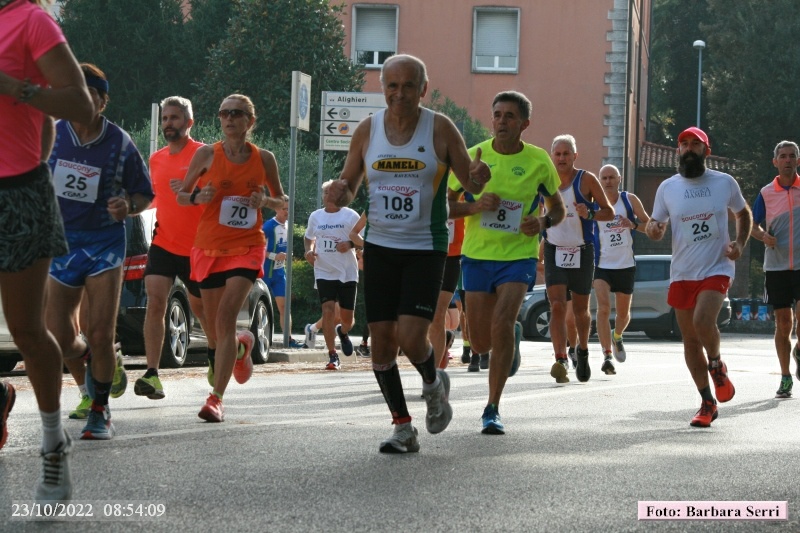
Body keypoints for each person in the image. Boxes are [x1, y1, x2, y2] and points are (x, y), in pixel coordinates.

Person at [328, 54, 491, 453]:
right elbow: (349, 186)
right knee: (382, 343)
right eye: (392, 86)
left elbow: (469, 180)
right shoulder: (368, 130)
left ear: (423, 89)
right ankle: (403, 427)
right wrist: (339, 192)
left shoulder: (440, 128)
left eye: (408, 86)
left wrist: (478, 178)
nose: (399, 94)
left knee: (411, 334)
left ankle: (433, 385)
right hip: (381, 247)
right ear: (382, 87)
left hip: (425, 247)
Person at [0, 0, 93, 501]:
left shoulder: (30, 20)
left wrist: (15, 89)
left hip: (17, 193)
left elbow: (79, 104)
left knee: (27, 330)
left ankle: (53, 443)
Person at [46, 63, 153, 440]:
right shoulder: (52, 134)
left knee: (100, 330)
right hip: (61, 243)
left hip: (104, 245)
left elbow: (144, 193)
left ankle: (100, 409)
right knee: (58, 334)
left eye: (90, 94)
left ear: (102, 102)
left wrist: (129, 205)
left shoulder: (120, 142)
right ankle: (93, 358)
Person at [449, 90, 564, 434]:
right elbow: (444, 205)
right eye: (497, 115)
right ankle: (510, 335)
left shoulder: (538, 160)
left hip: (519, 256)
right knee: (481, 343)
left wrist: (542, 223)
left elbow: (558, 209)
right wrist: (475, 205)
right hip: (477, 256)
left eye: (510, 116)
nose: (501, 121)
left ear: (524, 124)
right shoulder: (473, 157)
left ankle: (492, 408)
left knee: (501, 322)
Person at [178, 94, 285, 422]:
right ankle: (239, 347)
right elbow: (182, 195)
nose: (228, 118)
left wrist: (264, 201)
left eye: (236, 113)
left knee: (225, 319)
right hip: (209, 247)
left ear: (250, 121)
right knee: (214, 328)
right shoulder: (206, 155)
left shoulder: (264, 159)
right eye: (223, 113)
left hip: (247, 247)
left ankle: (216, 399)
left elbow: (281, 200)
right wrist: (199, 196)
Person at [646, 127, 751, 427]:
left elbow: (743, 213)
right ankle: (707, 402)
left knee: (703, 321)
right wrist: (653, 229)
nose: (689, 148)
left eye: (695, 144)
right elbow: (656, 224)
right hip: (682, 271)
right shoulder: (667, 187)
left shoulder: (724, 182)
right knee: (690, 341)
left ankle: (716, 364)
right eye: (684, 144)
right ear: (678, 150)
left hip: (717, 267)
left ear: (706, 150)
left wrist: (740, 243)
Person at [134, 96, 209, 401]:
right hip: (163, 243)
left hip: (198, 247)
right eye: (165, 118)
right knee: (155, 303)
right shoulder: (156, 159)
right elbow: (154, 197)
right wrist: (129, 206)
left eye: (174, 118)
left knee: (202, 310)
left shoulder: (204, 154)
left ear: (189, 123)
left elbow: (217, 194)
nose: (168, 124)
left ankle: (218, 351)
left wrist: (194, 191)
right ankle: (152, 373)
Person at [543, 134, 614, 383]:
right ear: (552, 156)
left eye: (566, 154)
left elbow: (609, 212)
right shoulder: (544, 181)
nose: (561, 158)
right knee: (557, 306)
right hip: (554, 249)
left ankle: (582, 350)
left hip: (582, 251)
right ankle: (561, 358)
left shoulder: (587, 180)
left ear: (575, 156)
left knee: (581, 310)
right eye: (557, 154)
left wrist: (591, 212)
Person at [750, 140, 800, 398]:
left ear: (798, 161)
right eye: (783, 156)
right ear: (775, 162)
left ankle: (799, 350)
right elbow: (752, 225)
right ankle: (785, 376)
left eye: (792, 156)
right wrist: (763, 237)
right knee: (783, 323)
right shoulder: (766, 193)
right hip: (777, 268)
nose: (787, 160)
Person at [592, 164, 652, 375]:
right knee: (603, 309)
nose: (608, 181)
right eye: (604, 178)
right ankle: (607, 355)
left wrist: (632, 225)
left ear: (619, 179)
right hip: (601, 264)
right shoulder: (593, 203)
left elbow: (650, 226)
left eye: (611, 177)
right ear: (599, 181)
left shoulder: (629, 200)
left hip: (625, 264)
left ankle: (617, 336)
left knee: (624, 314)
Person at [304, 180, 360, 370]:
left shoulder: (351, 215)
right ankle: (332, 355)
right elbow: (308, 238)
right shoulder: (316, 216)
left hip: (347, 271)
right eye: (325, 192)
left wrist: (350, 244)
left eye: (331, 192)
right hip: (323, 270)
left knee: (347, 319)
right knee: (327, 310)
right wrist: (308, 251)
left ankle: (342, 332)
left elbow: (365, 238)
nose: (327, 195)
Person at [262, 196, 303, 349]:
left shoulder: (288, 226)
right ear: (276, 209)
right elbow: (256, 248)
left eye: (289, 209)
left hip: (279, 273)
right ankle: (260, 339)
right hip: (264, 273)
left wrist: (288, 255)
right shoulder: (268, 226)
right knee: (262, 306)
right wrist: (274, 256)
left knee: (285, 307)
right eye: (284, 209)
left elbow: (286, 247)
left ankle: (288, 339)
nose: (287, 212)